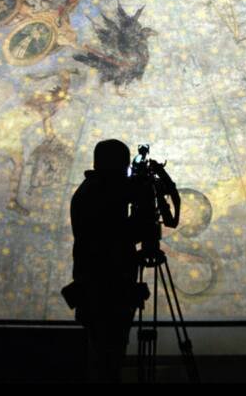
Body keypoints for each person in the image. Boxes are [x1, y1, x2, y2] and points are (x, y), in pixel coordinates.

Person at [67, 139, 140, 382]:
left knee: (105, 362)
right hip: (106, 294)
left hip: (101, 293)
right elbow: (118, 235)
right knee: (106, 363)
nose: (126, 174)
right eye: (124, 167)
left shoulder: (93, 190)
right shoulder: (100, 194)